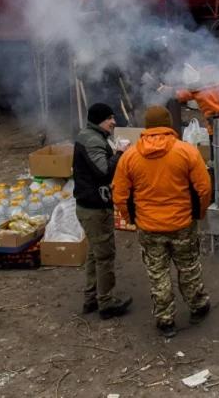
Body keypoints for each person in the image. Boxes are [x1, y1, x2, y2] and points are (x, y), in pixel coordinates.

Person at [113, 106, 213, 338]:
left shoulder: (130, 156)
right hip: (182, 224)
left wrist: (132, 219)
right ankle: (198, 307)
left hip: (148, 227)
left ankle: (165, 319)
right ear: (169, 124)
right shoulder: (186, 152)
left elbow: (119, 194)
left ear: (147, 126)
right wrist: (198, 213)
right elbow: (204, 187)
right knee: (188, 268)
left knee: (157, 273)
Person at [72, 103, 133, 318]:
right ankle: (106, 303)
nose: (114, 122)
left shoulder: (90, 136)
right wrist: (119, 153)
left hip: (89, 206)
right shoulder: (92, 140)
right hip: (95, 208)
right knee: (105, 255)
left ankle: (91, 298)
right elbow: (104, 171)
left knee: (94, 254)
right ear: (100, 120)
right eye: (110, 118)